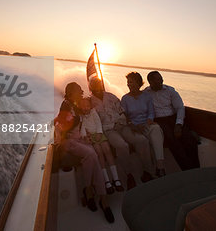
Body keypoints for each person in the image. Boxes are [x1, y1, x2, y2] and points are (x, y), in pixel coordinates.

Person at [55, 82, 114, 223]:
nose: (81, 93)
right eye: (78, 91)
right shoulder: (66, 106)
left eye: (81, 91)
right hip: (69, 141)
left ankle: (100, 197)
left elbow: (86, 118)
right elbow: (62, 126)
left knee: (94, 159)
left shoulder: (77, 104)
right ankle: (91, 192)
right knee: (92, 154)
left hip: (81, 139)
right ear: (69, 93)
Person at [89, 77, 155, 186]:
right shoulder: (90, 102)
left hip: (122, 126)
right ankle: (129, 176)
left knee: (142, 140)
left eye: (99, 83)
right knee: (122, 146)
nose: (98, 86)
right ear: (91, 87)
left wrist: (126, 122)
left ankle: (148, 172)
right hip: (108, 130)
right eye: (95, 84)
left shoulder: (111, 97)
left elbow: (122, 112)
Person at [146, 71, 200, 170]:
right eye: (157, 79)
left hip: (173, 118)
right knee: (173, 142)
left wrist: (178, 124)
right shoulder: (146, 93)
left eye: (161, 78)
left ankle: (196, 169)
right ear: (150, 82)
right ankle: (188, 170)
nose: (161, 81)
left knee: (190, 140)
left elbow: (180, 108)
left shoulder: (170, 91)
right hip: (159, 121)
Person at [121, 72, 166, 177]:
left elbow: (151, 113)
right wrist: (134, 126)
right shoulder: (125, 99)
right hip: (131, 127)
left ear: (138, 83)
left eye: (131, 82)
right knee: (143, 141)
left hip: (145, 124)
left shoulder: (147, 96)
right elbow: (125, 116)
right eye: (128, 82)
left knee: (156, 129)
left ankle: (160, 167)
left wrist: (148, 122)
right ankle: (149, 171)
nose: (129, 84)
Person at [79, 98, 124, 194]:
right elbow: (82, 127)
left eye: (87, 106)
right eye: (83, 106)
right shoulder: (81, 117)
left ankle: (116, 178)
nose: (85, 108)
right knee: (99, 153)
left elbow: (98, 122)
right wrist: (84, 136)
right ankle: (107, 180)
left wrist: (99, 132)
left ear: (90, 106)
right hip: (92, 137)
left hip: (99, 134)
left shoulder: (93, 112)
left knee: (107, 150)